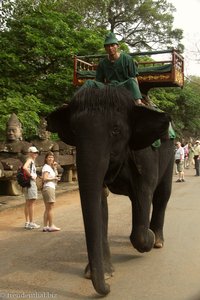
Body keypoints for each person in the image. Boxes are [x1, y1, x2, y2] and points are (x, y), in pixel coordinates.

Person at [79, 32, 143, 105]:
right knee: (89, 82)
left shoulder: (127, 59)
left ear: (117, 46)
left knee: (131, 80)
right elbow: (99, 81)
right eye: (107, 46)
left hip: (122, 86)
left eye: (112, 45)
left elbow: (134, 78)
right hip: (108, 87)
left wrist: (137, 94)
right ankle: (74, 102)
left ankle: (138, 103)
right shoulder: (102, 63)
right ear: (105, 48)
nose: (110, 48)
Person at [41, 151, 61, 232]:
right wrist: (54, 179)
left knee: (47, 208)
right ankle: (51, 225)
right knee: (50, 208)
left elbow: (55, 176)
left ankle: (45, 226)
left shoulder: (50, 167)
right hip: (49, 187)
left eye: (52, 157)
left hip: (48, 188)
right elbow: (45, 178)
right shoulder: (46, 167)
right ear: (46, 159)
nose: (51, 159)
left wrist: (55, 167)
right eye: (49, 157)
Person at [23, 146, 40, 229]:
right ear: (29, 153)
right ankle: (31, 222)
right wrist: (31, 176)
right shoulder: (30, 160)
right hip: (30, 182)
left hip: (27, 183)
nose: (35, 154)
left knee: (27, 203)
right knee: (32, 202)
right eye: (33, 152)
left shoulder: (31, 160)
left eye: (36, 152)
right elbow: (24, 168)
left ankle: (27, 222)